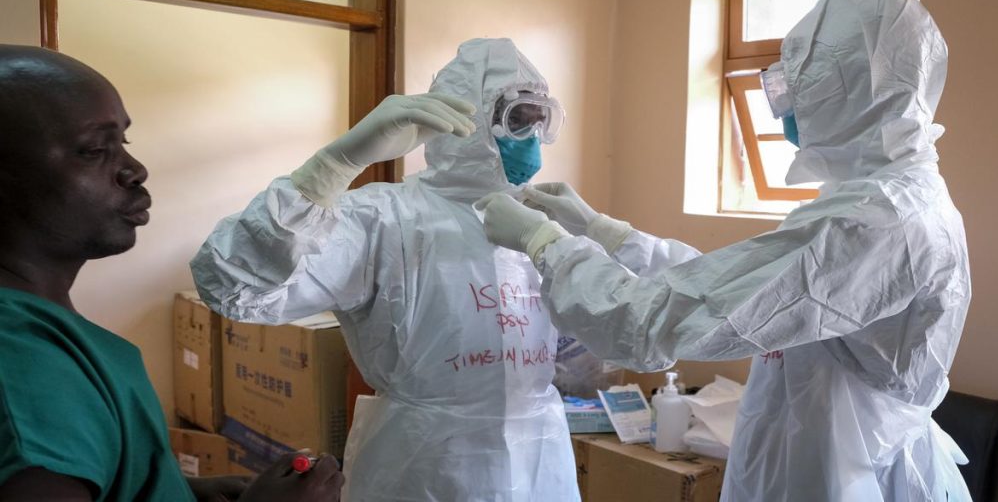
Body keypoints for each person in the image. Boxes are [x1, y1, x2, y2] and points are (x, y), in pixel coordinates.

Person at [480, 0, 972, 501]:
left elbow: (652, 323)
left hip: (851, 477)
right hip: (825, 456)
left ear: (849, 94)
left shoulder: (878, 220)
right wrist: (607, 233)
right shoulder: (873, 201)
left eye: (800, 86)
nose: (785, 107)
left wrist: (546, 244)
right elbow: (733, 285)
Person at [190, 38, 581, 501]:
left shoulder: (540, 221)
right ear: (470, 121)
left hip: (543, 464)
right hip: (422, 469)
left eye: (540, 121)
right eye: (517, 119)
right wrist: (334, 165)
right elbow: (231, 282)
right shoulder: (382, 219)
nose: (531, 138)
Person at [0, 45, 343, 502]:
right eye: (94, 150)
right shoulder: (27, 375)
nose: (134, 170)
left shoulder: (41, 324)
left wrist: (174, 490)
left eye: (124, 142)